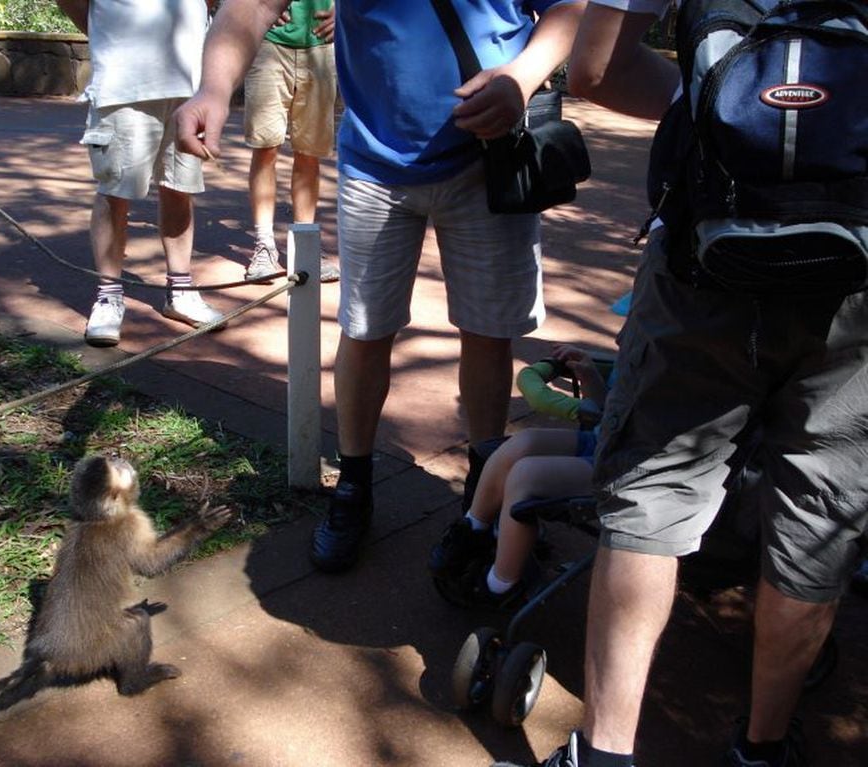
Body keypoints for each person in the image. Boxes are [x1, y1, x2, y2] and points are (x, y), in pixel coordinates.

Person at [506, 3, 868, 766]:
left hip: (707, 252)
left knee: (654, 489)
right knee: (820, 504)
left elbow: (597, 68)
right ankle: (761, 746)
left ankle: (603, 753)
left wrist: (724, 107)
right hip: (856, 266)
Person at [176, 0, 586, 573]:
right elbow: (251, 6)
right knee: (365, 330)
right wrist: (213, 89)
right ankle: (354, 485)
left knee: (489, 334)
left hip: (492, 155)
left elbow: (571, 7)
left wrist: (521, 77)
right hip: (376, 162)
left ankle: (483, 497)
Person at [57, 0, 226, 348]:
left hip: (187, 82)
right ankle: (107, 296)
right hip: (124, 83)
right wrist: (112, 35)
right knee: (115, 192)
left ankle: (180, 291)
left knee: (181, 188)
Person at [430, 344, 609, 609]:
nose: (619, 338)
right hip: (607, 442)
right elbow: (606, 404)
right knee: (521, 443)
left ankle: (500, 586)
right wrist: (591, 376)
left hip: (635, 465)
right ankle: (472, 529)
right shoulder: (646, 345)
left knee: (526, 477)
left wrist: (587, 410)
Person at [242, 0, 341, 284]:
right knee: (265, 148)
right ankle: (264, 246)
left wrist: (346, 11)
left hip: (321, 45)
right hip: (269, 44)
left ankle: (305, 247)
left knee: (309, 152)